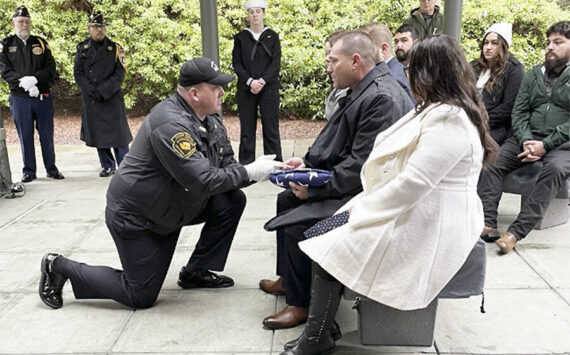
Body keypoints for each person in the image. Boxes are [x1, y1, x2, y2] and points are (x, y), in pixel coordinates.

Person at [279, 34, 498, 355]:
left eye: (413, 68)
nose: (407, 75)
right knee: (321, 236)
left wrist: (361, 210)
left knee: (329, 243)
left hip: (432, 223)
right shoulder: (439, 109)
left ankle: (317, 336)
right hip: (416, 209)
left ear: (429, 73)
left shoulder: (451, 120)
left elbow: (411, 185)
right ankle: (320, 326)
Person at [38, 57, 281, 310]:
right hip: (138, 218)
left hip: (172, 206)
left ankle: (195, 272)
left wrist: (272, 171)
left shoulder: (210, 120)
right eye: (216, 86)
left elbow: (228, 169)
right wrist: (251, 171)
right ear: (195, 93)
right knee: (140, 295)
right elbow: (202, 179)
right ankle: (58, 265)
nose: (222, 91)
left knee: (231, 200)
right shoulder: (170, 124)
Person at [259, 31, 413, 330]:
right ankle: (290, 280)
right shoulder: (364, 88)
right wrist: (307, 165)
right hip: (356, 185)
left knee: (296, 220)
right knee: (285, 198)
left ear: (355, 61)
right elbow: (341, 143)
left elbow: (362, 167)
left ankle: (300, 303)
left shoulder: (381, 97)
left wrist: (315, 190)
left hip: (367, 198)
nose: (327, 66)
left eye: (332, 60)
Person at [478, 21, 570, 254]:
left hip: (562, 145)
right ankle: (488, 222)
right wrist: (527, 139)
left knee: (555, 170)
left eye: (558, 42)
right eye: (548, 42)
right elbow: (519, 111)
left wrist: (545, 145)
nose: (550, 47)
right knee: (492, 160)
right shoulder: (534, 74)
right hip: (525, 138)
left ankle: (516, 232)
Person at [0, 6, 63, 183]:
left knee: (46, 134)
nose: (24, 24)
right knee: (25, 135)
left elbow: (51, 68)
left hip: (42, 97)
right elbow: (4, 70)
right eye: (20, 21)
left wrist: (35, 80)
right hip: (20, 99)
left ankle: (51, 168)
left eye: (27, 21)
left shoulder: (41, 43)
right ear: (13, 23)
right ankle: (29, 171)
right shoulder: (6, 44)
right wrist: (23, 83)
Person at [74, 11, 132, 177]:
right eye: (95, 27)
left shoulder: (115, 48)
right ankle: (107, 165)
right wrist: (91, 90)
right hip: (92, 98)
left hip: (111, 97)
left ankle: (125, 165)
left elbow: (120, 73)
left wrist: (103, 91)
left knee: (118, 134)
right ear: (89, 29)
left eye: (101, 26)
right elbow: (78, 73)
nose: (98, 30)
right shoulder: (82, 48)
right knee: (99, 135)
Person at [232, 0, 282, 164]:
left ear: (263, 13)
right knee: (247, 130)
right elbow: (237, 64)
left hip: (269, 89)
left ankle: (274, 163)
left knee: (271, 128)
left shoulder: (272, 37)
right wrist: (249, 81)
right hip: (246, 89)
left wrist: (261, 81)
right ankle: (247, 166)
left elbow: (275, 64)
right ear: (248, 15)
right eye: (251, 12)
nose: (255, 15)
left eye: (258, 11)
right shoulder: (240, 38)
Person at [471, 23, 524, 146]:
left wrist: (481, 121)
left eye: (494, 43)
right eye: (486, 42)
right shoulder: (474, 66)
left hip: (495, 127)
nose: (488, 47)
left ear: (503, 46)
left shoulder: (514, 69)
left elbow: (509, 106)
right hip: (468, 120)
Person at [361, 22, 413, 100]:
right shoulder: (396, 70)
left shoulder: (394, 79)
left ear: (384, 49)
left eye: (365, 48)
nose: (361, 54)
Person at [323, 29, 347, 121]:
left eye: (330, 54)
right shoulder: (338, 84)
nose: (327, 59)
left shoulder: (347, 89)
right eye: (326, 54)